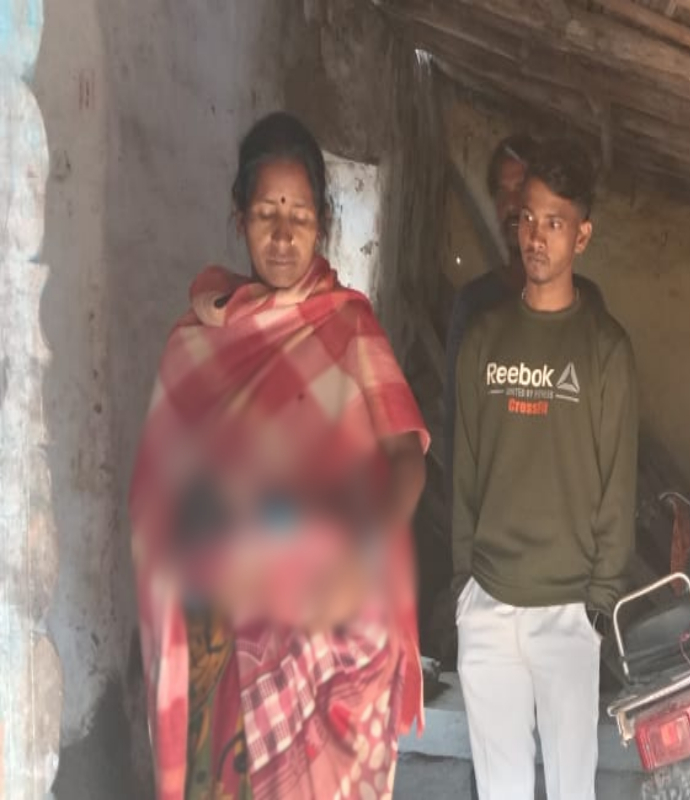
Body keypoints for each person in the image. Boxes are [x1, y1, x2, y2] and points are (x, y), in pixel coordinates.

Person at [129, 112, 428, 799]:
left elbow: (406, 459)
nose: (284, 234)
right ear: (239, 217)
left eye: (299, 215)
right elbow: (155, 494)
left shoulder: (349, 327)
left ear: (323, 221)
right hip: (222, 627)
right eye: (267, 213)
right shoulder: (196, 342)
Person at [452, 138, 638, 800]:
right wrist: (463, 587)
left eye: (555, 223)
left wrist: (599, 605)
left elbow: (617, 486)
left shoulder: (606, 350)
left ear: (582, 236)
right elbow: (464, 469)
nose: (535, 236)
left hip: (568, 612)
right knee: (499, 790)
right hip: (488, 602)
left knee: (569, 790)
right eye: (528, 218)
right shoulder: (484, 338)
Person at [441, 134, 603, 480]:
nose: (512, 205)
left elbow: (598, 429)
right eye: (502, 192)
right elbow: (457, 430)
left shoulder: (587, 305)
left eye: (522, 189)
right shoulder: (475, 305)